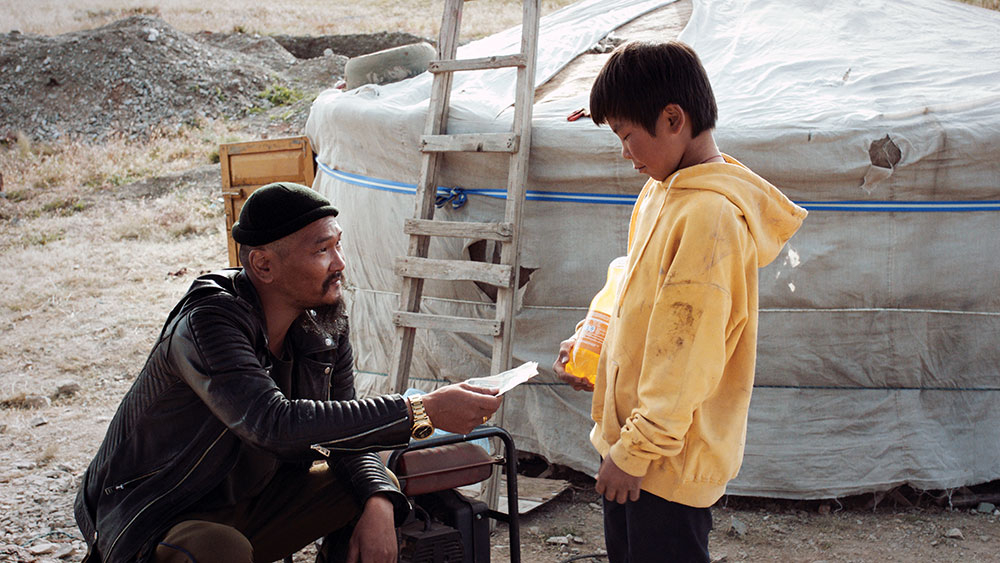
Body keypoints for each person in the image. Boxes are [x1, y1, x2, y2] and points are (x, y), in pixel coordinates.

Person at [75, 182, 504, 563]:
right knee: (220, 549)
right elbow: (272, 423)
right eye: (321, 250)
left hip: (252, 503)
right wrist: (419, 410)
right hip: (158, 516)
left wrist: (378, 499)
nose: (339, 263)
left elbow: (346, 430)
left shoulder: (323, 320)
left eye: (339, 245)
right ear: (263, 266)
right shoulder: (208, 321)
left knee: (371, 486)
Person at [553, 41, 807, 562]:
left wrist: (634, 452)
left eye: (626, 136)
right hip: (632, 448)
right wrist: (596, 330)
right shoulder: (663, 191)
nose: (625, 153)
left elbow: (687, 354)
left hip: (663, 463)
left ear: (673, 118)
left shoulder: (710, 219)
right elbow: (630, 277)